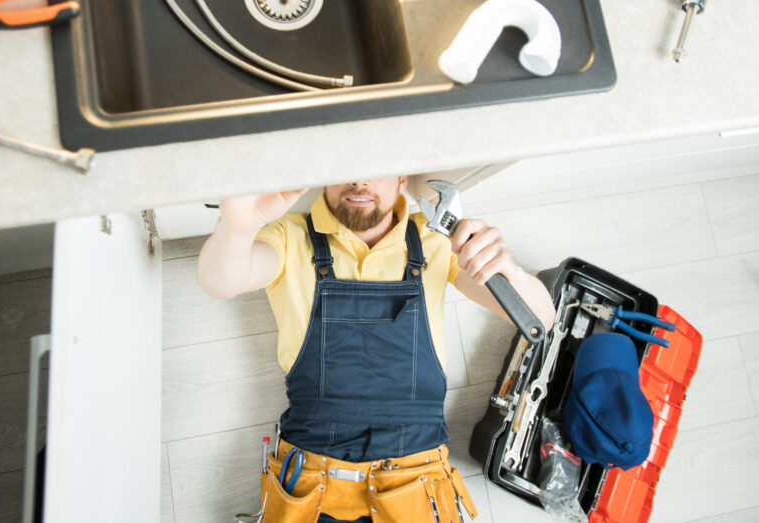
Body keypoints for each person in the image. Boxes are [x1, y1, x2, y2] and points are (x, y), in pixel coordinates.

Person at [197, 176, 556, 523]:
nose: (359, 181)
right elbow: (219, 281)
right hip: (311, 488)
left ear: (402, 178)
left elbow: (541, 318)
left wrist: (506, 269)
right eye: (345, 167)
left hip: (417, 485)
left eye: (375, 167)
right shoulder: (290, 236)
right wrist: (238, 227)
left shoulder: (436, 240)